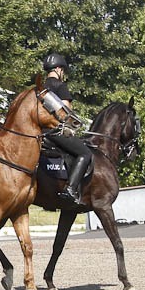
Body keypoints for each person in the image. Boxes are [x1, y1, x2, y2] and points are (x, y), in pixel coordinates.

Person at [43, 52, 92, 205]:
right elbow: (66, 112)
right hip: (56, 131)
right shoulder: (60, 86)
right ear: (58, 69)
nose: (63, 73)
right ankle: (70, 189)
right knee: (85, 153)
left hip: (42, 132)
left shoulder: (41, 88)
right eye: (62, 70)